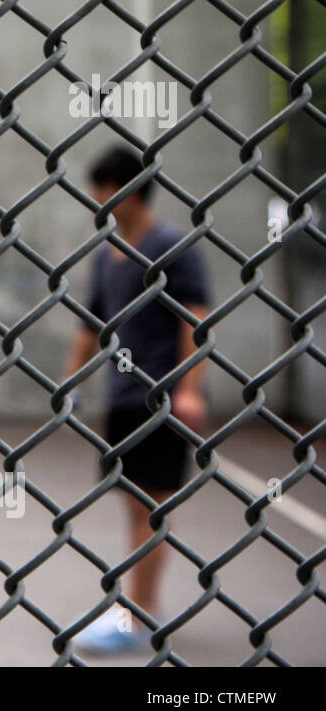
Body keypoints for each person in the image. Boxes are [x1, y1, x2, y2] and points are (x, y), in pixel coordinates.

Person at [66, 146, 211, 654]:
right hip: (123, 398)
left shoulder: (172, 245)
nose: (97, 200)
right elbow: (93, 324)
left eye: (102, 189)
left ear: (126, 189)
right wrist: (73, 383)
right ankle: (142, 607)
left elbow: (194, 319)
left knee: (151, 507)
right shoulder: (108, 252)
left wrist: (188, 390)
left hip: (162, 400)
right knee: (135, 507)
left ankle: (140, 614)